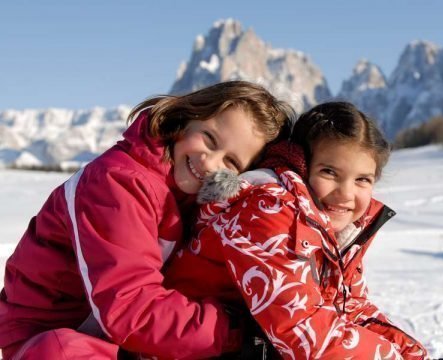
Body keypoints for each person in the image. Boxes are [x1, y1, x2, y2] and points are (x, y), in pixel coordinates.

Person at [0, 81, 294, 360]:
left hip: (114, 335)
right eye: (209, 138)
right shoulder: (118, 182)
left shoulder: (193, 196)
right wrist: (232, 331)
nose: (210, 161)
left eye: (231, 162)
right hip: (51, 338)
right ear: (185, 119)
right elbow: (128, 307)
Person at [164, 102, 429, 359]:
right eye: (329, 172)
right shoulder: (266, 211)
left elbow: (351, 309)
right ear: (300, 164)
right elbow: (303, 334)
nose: (346, 193)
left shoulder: (338, 228)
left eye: (362, 179)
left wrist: (411, 353)